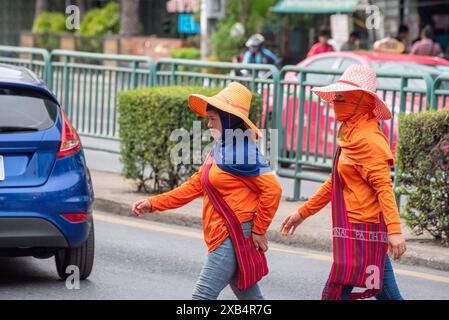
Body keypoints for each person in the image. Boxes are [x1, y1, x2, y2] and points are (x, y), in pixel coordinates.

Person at [132, 82, 282, 300]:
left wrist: (259, 229)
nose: (208, 124)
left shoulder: (244, 152)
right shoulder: (223, 147)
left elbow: (273, 190)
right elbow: (195, 185)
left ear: (229, 119)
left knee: (201, 298)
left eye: (212, 118)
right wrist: (153, 203)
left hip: (232, 235)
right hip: (229, 234)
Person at [280, 64, 406, 300]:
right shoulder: (349, 133)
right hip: (355, 230)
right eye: (336, 96)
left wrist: (395, 231)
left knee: (335, 291)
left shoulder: (369, 140)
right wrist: (303, 212)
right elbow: (334, 183)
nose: (335, 101)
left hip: (364, 231)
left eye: (341, 97)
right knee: (388, 296)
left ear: (360, 100)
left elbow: (384, 190)